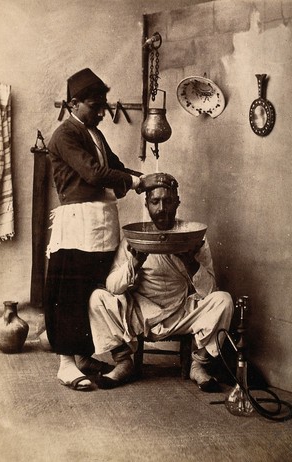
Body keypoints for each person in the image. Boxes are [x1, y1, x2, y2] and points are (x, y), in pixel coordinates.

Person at [44, 68, 170, 391]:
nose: (102, 112)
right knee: (70, 294)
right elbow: (94, 173)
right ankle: (66, 364)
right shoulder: (65, 135)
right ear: (74, 103)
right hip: (76, 226)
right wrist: (132, 182)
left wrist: (146, 180)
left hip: (100, 225)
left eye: (103, 104)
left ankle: (84, 356)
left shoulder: (95, 134)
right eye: (95, 105)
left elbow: (114, 167)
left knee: (92, 289)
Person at [89, 173, 234, 392]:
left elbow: (210, 291)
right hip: (141, 312)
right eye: (155, 201)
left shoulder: (192, 236)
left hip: (182, 311)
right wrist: (134, 264)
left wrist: (190, 262)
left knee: (224, 300)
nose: (162, 208)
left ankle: (199, 365)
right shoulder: (134, 237)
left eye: (167, 201)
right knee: (97, 298)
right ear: (147, 204)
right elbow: (112, 287)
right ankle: (124, 362)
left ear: (177, 202)